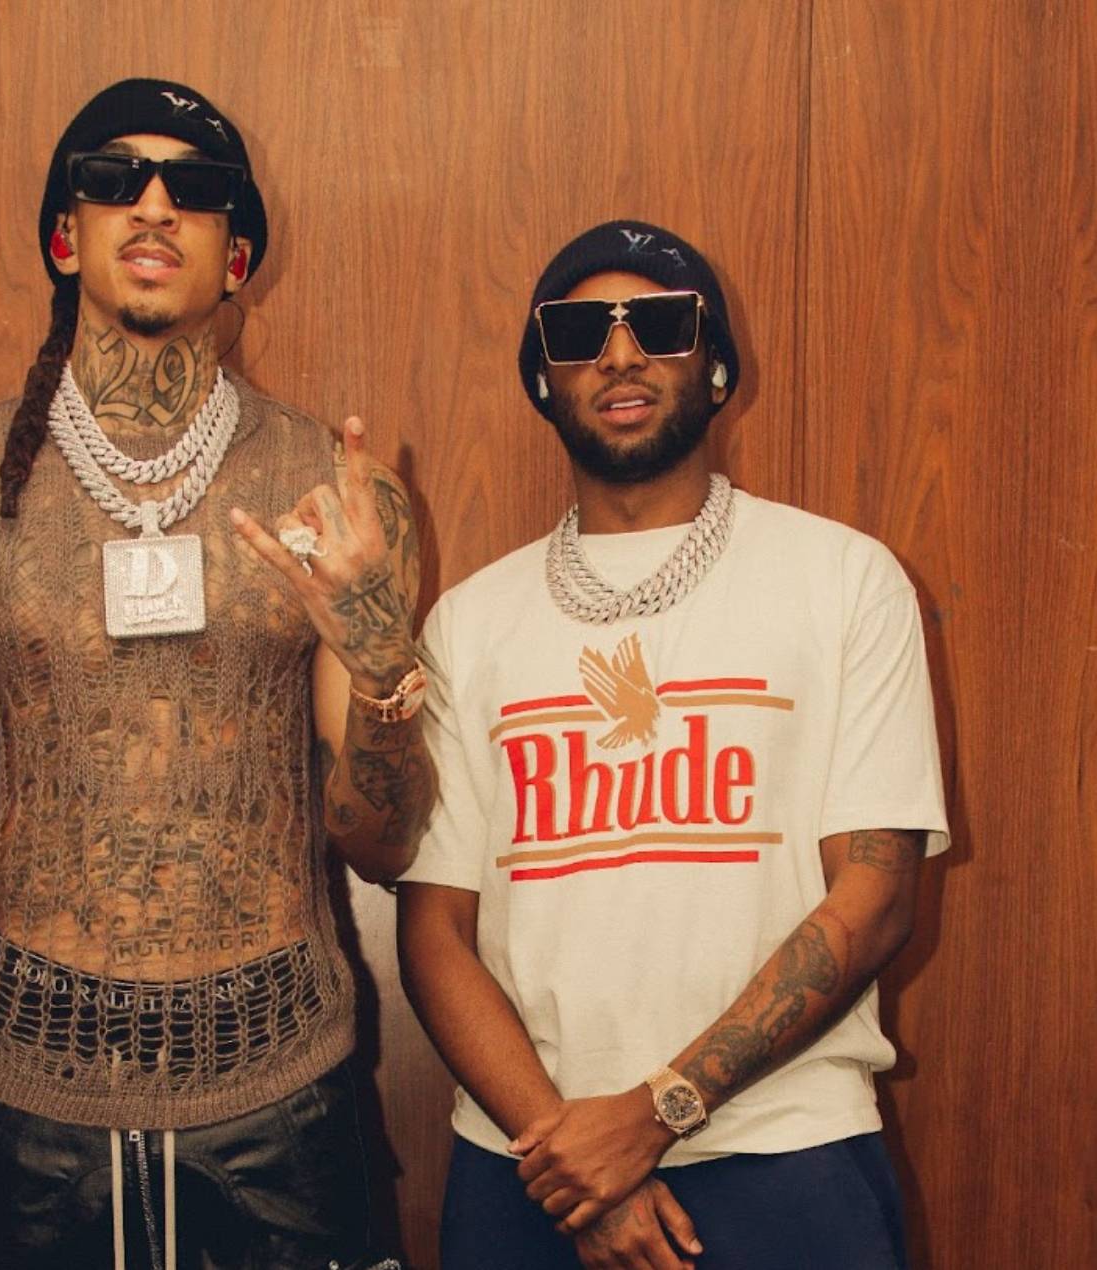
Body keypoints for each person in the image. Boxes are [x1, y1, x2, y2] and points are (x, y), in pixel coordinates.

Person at [0, 78, 432, 1269]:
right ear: (64, 235)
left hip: (285, 1106)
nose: (150, 203)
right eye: (112, 178)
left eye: (192, 187)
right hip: (36, 1113)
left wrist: (382, 661)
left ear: (234, 256)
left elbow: (382, 843)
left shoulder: (339, 501)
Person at [397, 220, 948, 1269]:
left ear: (718, 367)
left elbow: (875, 897)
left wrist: (657, 1111)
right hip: (530, 1166)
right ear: (544, 380)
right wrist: (572, 1157)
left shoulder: (843, 580)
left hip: (785, 1150)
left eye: (658, 323)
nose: (619, 353)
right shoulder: (469, 622)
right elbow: (433, 932)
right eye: (579, 333)